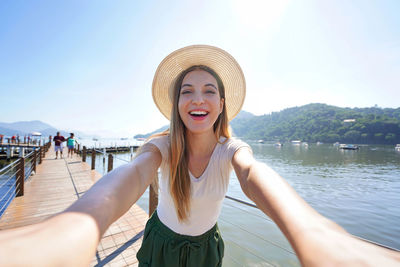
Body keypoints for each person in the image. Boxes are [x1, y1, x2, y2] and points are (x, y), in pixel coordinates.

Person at [0, 45, 399, 267]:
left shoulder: (231, 151)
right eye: (187, 90)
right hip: (160, 243)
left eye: (209, 90)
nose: (198, 98)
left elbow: (254, 175)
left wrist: (314, 232)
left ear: (222, 103)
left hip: (206, 248)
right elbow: (133, 177)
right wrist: (82, 221)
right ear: (177, 104)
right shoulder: (163, 146)